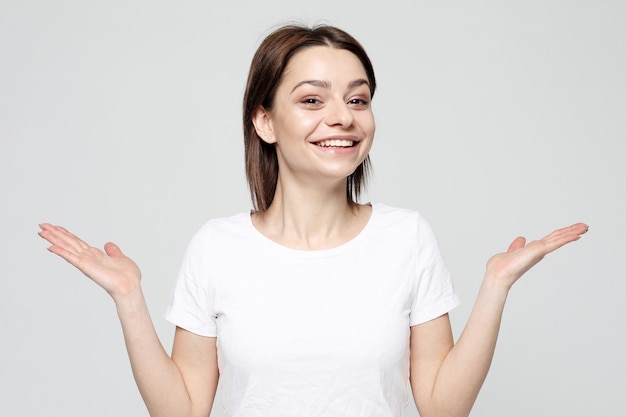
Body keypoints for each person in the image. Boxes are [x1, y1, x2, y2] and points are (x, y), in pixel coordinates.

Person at [38, 24, 588, 417]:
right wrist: (130, 298)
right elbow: (181, 410)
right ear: (265, 120)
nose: (342, 117)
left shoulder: (407, 238)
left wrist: (494, 288)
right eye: (311, 100)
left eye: (358, 98)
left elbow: (443, 408)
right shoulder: (217, 246)